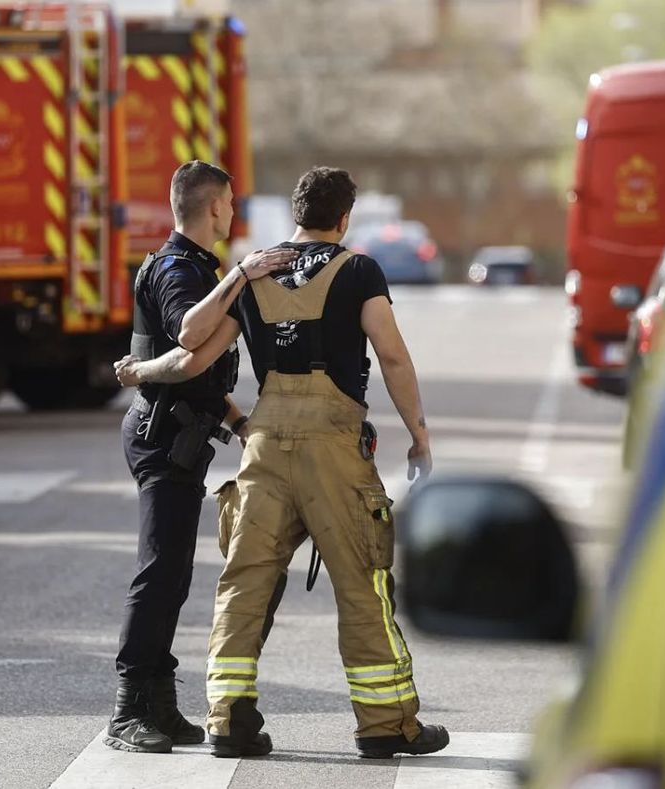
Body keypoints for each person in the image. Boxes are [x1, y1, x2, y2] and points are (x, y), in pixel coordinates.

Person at [116, 167, 447, 760]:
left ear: (295, 212)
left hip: (264, 443)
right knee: (363, 582)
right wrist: (419, 437)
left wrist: (140, 372)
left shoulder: (253, 274)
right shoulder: (359, 270)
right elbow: (393, 358)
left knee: (244, 582)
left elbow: (193, 357)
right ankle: (385, 724)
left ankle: (228, 719)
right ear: (344, 218)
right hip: (332, 446)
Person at [107, 161, 295, 755]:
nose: (233, 213)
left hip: (181, 433)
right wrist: (240, 276)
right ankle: (127, 711)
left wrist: (240, 424)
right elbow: (189, 338)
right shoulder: (176, 270)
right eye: (231, 203)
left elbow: (201, 375)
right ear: (214, 207)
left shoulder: (194, 269)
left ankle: (160, 705)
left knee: (175, 573)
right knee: (159, 571)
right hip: (161, 435)